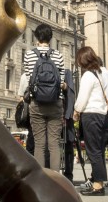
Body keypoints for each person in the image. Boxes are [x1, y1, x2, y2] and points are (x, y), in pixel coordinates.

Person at [21, 23, 66, 174]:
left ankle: (41, 179)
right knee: (54, 143)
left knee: (39, 143)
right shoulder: (58, 55)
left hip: (37, 103)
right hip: (55, 102)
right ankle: (56, 178)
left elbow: (28, 78)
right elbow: (61, 80)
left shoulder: (29, 55)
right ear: (51, 38)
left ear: (36, 36)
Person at [72, 46, 108, 196]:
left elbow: (83, 97)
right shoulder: (100, 74)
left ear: (83, 59)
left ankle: (98, 186)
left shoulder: (88, 76)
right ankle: (97, 182)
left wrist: (76, 110)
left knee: (93, 151)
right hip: (102, 115)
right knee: (98, 150)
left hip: (91, 115)